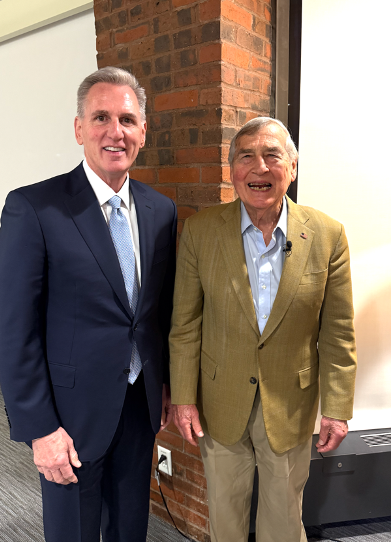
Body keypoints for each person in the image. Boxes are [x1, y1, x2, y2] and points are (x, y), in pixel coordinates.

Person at [0, 67, 177, 542]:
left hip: (138, 407)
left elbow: (156, 312)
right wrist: (40, 430)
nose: (115, 132)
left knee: (129, 529)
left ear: (142, 131)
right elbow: (13, 333)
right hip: (68, 419)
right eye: (101, 118)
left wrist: (164, 386)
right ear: (79, 129)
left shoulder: (160, 211)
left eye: (127, 120)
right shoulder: (34, 208)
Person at [169, 117, 357, 542]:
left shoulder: (328, 236)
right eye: (246, 156)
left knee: (284, 520)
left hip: (291, 404)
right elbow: (185, 325)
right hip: (219, 401)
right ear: (232, 169)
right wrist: (182, 397)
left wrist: (337, 407)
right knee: (225, 518)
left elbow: (338, 332)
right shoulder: (200, 231)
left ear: (292, 167)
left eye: (272, 155)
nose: (259, 167)